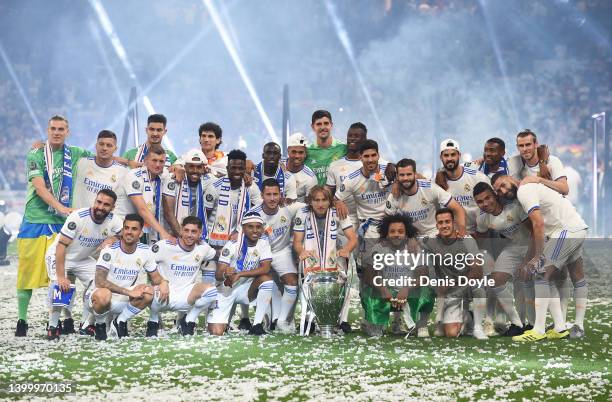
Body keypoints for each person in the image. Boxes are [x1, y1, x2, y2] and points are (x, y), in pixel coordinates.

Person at [16, 115, 93, 337]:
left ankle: (65, 320)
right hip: (35, 220)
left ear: (67, 131)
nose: (57, 132)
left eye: (61, 129)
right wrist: (60, 206)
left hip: (62, 224)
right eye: (53, 128)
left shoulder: (76, 153)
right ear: (47, 130)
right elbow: (39, 186)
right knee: (27, 273)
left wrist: (127, 162)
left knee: (65, 274)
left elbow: (103, 158)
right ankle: (22, 321)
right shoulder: (36, 153)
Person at [492, 174, 588, 340]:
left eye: (502, 185)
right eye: (498, 190)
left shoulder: (524, 190)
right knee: (558, 276)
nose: (502, 191)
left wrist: (537, 257)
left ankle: (538, 330)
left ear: (509, 177)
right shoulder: (528, 188)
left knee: (540, 273)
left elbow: (538, 224)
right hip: (574, 228)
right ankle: (559, 328)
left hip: (566, 230)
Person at [44, 189, 123, 340]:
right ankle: (53, 326)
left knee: (101, 284)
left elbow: (122, 235)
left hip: (82, 259)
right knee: (59, 287)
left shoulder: (114, 220)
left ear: (112, 208)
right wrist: (61, 277)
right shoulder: (78, 217)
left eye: (106, 204)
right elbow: (61, 247)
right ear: (94, 201)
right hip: (59, 255)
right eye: (99, 202)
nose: (101, 207)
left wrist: (112, 240)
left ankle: (87, 324)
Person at [293, 185, 357, 334]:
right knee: (308, 281)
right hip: (312, 256)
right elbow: (297, 241)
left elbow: (352, 238)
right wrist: (301, 251)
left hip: (333, 254)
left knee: (343, 279)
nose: (320, 204)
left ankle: (342, 320)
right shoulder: (302, 213)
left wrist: (346, 250)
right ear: (310, 202)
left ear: (330, 201)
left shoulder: (338, 212)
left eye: (324, 200)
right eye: (316, 200)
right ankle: (309, 319)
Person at [89, 214, 163, 340]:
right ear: (122, 230)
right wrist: (128, 292)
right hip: (100, 297)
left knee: (149, 292)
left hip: (125, 298)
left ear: (140, 233)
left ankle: (120, 322)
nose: (129, 232)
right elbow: (100, 282)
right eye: (126, 228)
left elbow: (156, 279)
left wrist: (164, 283)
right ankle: (100, 325)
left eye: (134, 229)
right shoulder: (110, 250)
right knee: (103, 295)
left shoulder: (145, 251)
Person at [473, 182, 531, 337]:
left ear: (495, 195)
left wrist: (530, 258)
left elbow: (535, 231)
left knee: (531, 285)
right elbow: (481, 239)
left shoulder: (515, 207)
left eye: (488, 198)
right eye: (480, 201)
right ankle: (517, 323)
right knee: (495, 280)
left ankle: (536, 324)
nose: (485, 203)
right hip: (513, 247)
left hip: (533, 245)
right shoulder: (482, 219)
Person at [420, 208, 488, 340]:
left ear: (454, 223)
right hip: (450, 292)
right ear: (436, 225)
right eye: (440, 223)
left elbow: (478, 271)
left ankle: (478, 327)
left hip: (466, 285)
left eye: (447, 222)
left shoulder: (467, 240)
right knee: (450, 333)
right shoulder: (432, 242)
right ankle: (468, 316)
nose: (444, 225)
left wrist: (455, 282)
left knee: (478, 286)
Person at [146, 216, 218, 337]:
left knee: (212, 291)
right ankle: (153, 321)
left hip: (186, 296)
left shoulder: (203, 249)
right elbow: (145, 259)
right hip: (163, 295)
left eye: (194, 231)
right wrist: (160, 281)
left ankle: (189, 320)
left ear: (200, 233)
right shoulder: (165, 245)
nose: (189, 235)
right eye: (186, 230)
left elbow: (215, 255)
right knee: (147, 292)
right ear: (181, 230)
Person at [249, 179, 305, 333]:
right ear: (262, 195)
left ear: (281, 194)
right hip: (260, 254)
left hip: (281, 251)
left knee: (292, 283)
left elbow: (313, 203)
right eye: (268, 194)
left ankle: (282, 321)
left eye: (275, 194)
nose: (272, 198)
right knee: (259, 283)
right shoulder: (253, 213)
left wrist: (336, 202)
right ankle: (262, 318)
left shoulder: (288, 207)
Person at [207, 211, 274, 336]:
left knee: (267, 279)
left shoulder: (264, 244)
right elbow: (218, 274)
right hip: (226, 289)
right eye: (250, 227)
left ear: (262, 229)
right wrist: (225, 273)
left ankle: (257, 325)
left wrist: (240, 274)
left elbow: (265, 269)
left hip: (247, 290)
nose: (255, 230)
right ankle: (223, 320)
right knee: (216, 332)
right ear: (243, 228)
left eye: (258, 227)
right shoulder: (232, 245)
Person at [361, 214, 421, 337]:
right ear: (386, 234)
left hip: (407, 292)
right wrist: (382, 288)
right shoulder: (378, 249)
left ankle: (419, 324)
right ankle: (377, 322)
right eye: (392, 231)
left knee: (426, 290)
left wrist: (406, 289)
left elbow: (423, 275)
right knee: (366, 288)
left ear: (406, 234)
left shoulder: (414, 249)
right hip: (386, 292)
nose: (396, 234)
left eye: (400, 231)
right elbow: (368, 275)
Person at [386, 158, 466, 237]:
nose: (406, 178)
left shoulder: (429, 187)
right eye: (402, 175)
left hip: (436, 233)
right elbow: (387, 222)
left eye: (409, 174)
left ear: (415, 174)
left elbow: (457, 208)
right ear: (397, 176)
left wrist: (461, 234)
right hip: (412, 238)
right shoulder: (394, 195)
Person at [114, 144, 174, 242]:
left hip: (140, 230)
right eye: (154, 160)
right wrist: (163, 232)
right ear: (145, 161)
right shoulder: (134, 176)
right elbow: (143, 209)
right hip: (122, 229)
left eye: (161, 161)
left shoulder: (162, 177)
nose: (158, 165)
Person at [435, 138, 490, 234]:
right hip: (453, 235)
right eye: (446, 155)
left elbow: (492, 203)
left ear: (459, 155)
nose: (449, 159)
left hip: (480, 232)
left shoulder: (477, 177)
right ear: (441, 157)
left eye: (453, 154)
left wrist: (481, 231)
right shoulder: (438, 182)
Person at [163, 148, 213, 239]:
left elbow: (227, 174)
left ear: (203, 168)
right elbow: (168, 212)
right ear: (184, 167)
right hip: (173, 236)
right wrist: (182, 236)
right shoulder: (173, 178)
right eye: (191, 166)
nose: (195, 170)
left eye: (199, 167)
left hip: (195, 237)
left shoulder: (208, 180)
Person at [326, 122, 368, 230]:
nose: (352, 139)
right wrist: (336, 201)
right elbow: (328, 194)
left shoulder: (371, 164)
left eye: (356, 136)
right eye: (350, 136)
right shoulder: (334, 166)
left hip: (369, 218)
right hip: (345, 217)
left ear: (365, 140)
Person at [72, 130, 128, 209]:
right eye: (101, 144)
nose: (104, 148)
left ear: (115, 149)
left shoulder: (123, 172)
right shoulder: (81, 162)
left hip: (103, 219)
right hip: (77, 218)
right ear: (96, 146)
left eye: (109, 145)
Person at [507, 129, 568, 195]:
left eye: (528, 145)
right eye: (521, 146)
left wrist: (539, 180)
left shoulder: (552, 161)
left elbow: (564, 189)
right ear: (517, 147)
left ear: (536, 144)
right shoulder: (514, 162)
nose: (525, 149)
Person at [305, 110, 347, 185]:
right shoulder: (306, 151)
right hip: (314, 196)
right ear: (312, 127)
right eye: (319, 124)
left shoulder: (343, 148)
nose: (323, 127)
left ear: (331, 125)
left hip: (338, 196)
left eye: (326, 123)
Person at [285, 133, 317, 203]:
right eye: (294, 152)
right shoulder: (277, 164)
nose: (297, 156)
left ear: (305, 154)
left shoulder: (310, 178)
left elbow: (309, 206)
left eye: (301, 152)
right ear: (288, 151)